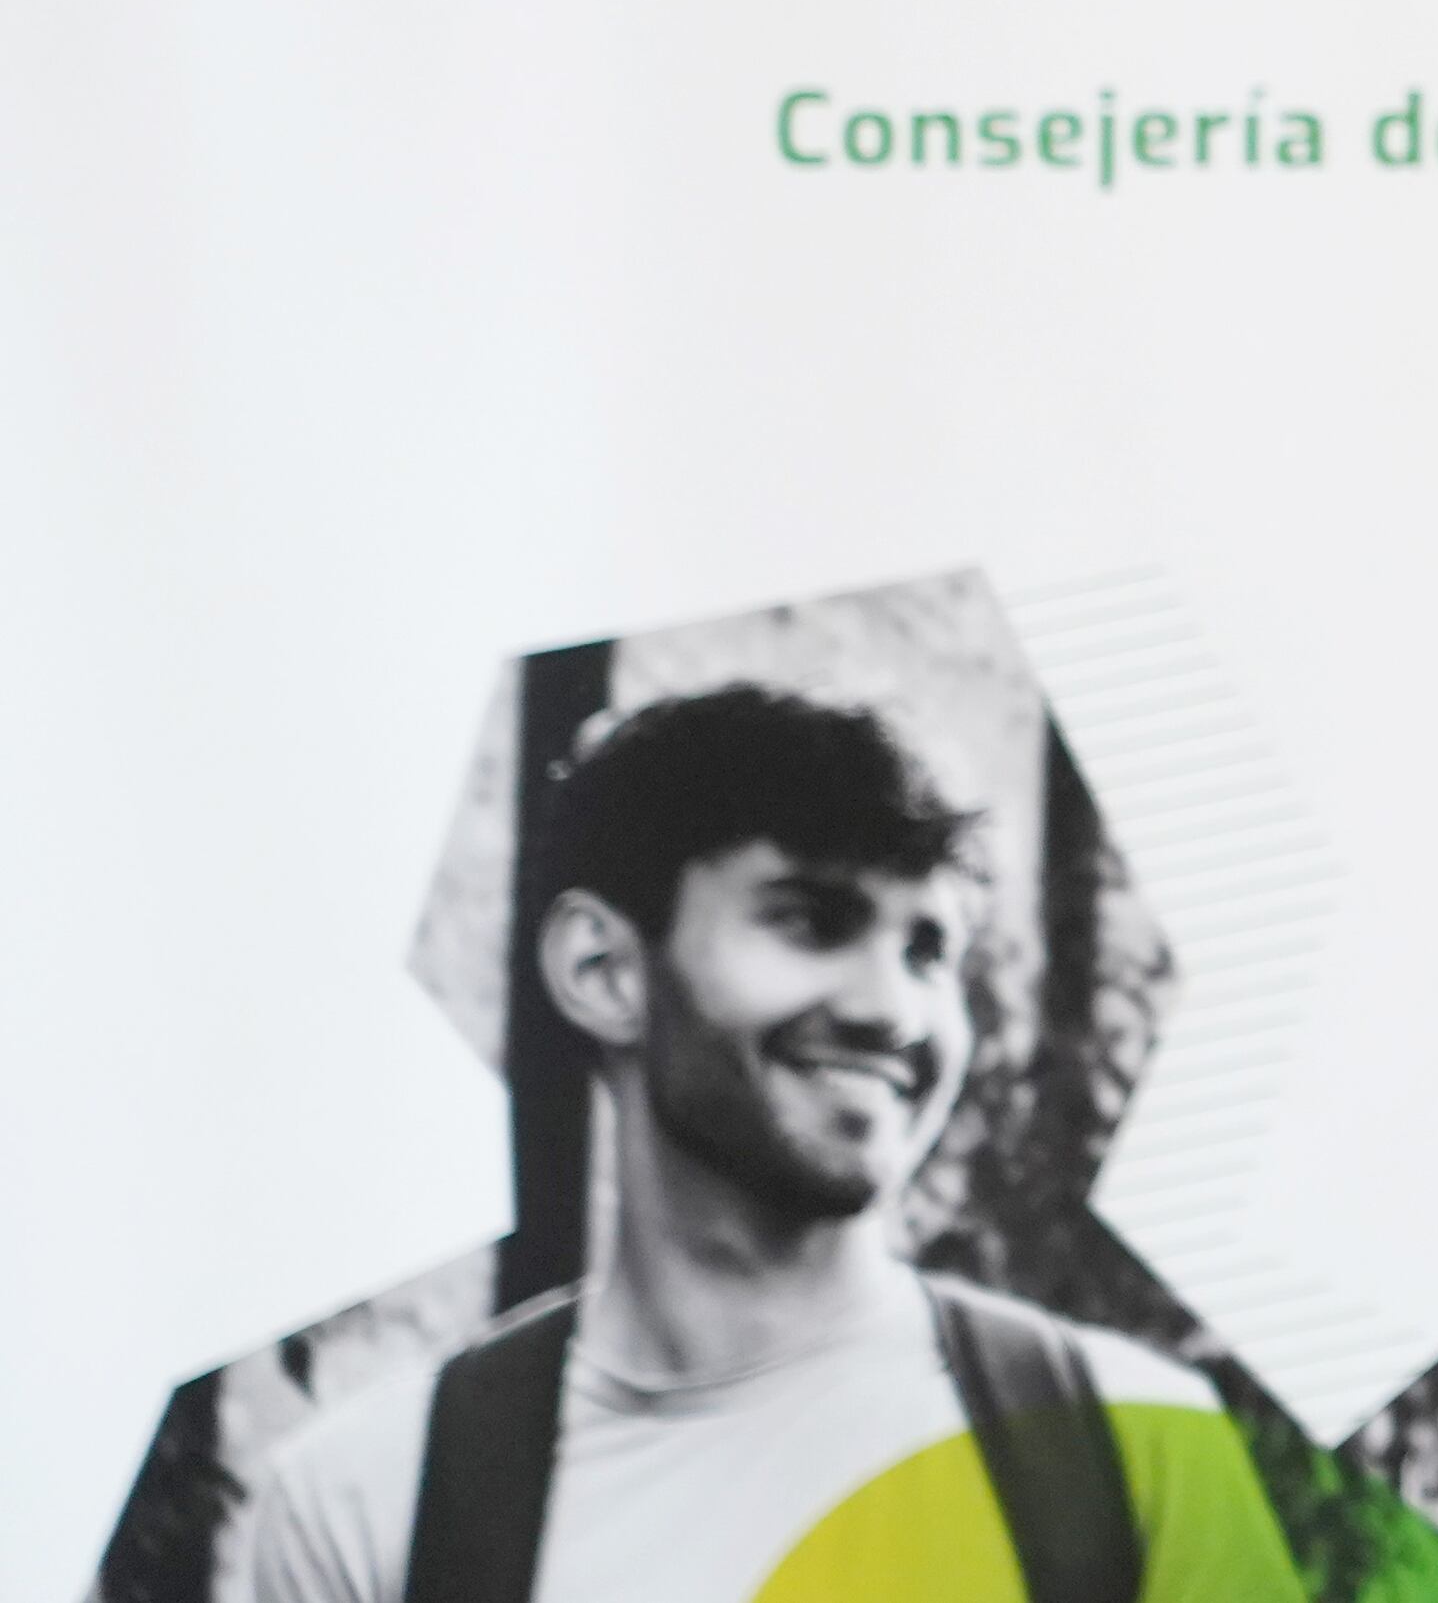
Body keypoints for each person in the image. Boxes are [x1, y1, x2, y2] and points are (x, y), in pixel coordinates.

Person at [232, 684, 1302, 1603]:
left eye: (929, 950)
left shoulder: (1130, 1453)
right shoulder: (375, 1505)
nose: (894, 1009)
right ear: (604, 969)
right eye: (810, 920)